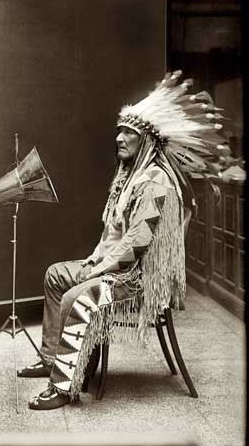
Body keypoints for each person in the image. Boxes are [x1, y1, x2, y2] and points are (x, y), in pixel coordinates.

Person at [18, 70, 225, 410]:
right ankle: (52, 358)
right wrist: (93, 261)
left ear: (147, 142)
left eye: (129, 132)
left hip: (135, 279)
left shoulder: (155, 182)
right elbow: (112, 233)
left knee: (76, 296)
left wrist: (98, 271)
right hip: (113, 267)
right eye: (119, 130)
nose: (119, 137)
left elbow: (136, 245)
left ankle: (63, 387)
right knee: (57, 274)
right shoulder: (129, 176)